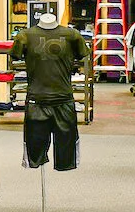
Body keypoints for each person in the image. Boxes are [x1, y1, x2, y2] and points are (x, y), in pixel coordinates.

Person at [10, 12, 89, 171]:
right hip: (37, 101)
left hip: (63, 99)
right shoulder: (24, 36)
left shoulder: (73, 35)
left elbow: (83, 54)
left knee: (66, 151)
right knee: (34, 150)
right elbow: (15, 55)